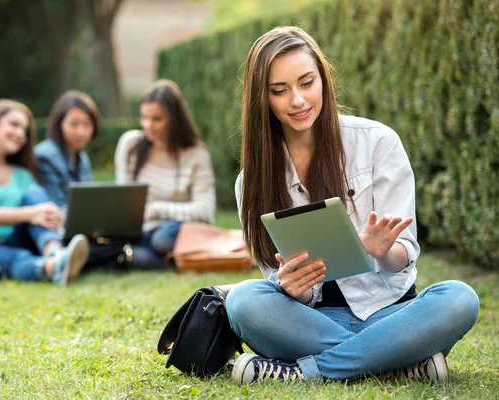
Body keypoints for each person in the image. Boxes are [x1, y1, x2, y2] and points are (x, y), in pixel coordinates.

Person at [226, 26, 479, 384]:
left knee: (459, 298)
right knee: (242, 301)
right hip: (312, 323)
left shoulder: (377, 143)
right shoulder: (250, 181)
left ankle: (306, 373)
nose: (297, 100)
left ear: (323, 81)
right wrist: (290, 287)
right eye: (279, 91)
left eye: (307, 83)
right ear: (261, 99)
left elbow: (404, 254)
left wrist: (384, 251)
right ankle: (399, 362)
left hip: (390, 314)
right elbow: (273, 276)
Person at [0, 99, 89, 285]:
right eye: (14, 125)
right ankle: (52, 267)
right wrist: (32, 214)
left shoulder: (21, 174)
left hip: (14, 238)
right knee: (20, 257)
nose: (20, 134)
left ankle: (55, 252)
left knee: (35, 196)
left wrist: (54, 215)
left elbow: (37, 208)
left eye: (24, 131)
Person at [114, 80, 216, 269]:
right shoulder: (130, 145)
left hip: (173, 231)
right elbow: (123, 197)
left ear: (175, 119)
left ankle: (149, 258)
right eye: (144, 117)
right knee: (123, 248)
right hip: (140, 232)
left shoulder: (196, 155)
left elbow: (205, 210)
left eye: (157, 119)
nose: (148, 125)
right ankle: (171, 262)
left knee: (161, 240)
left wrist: (156, 210)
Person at [35, 90, 100, 209]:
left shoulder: (82, 158)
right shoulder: (45, 156)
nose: (81, 131)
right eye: (74, 124)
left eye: (87, 125)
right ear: (60, 124)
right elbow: (56, 204)